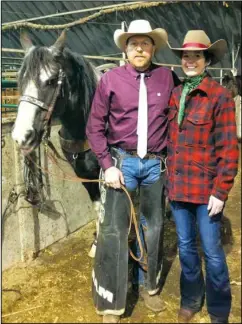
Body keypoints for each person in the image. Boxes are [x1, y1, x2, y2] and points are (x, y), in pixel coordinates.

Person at [86, 19, 180, 323]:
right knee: (113, 231)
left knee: (153, 228)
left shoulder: (167, 78)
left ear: (153, 48)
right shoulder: (110, 80)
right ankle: (110, 303)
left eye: (145, 43)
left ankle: (148, 289)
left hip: (155, 164)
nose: (139, 48)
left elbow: (177, 118)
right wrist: (106, 165)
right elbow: (95, 127)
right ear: (125, 49)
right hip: (121, 163)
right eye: (133, 44)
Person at [166, 30, 239, 323]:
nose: (190, 60)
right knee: (185, 249)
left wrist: (221, 192)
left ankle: (219, 309)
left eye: (197, 55)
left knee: (212, 251)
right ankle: (191, 299)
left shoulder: (219, 97)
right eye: (186, 55)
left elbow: (229, 150)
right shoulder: (175, 94)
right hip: (179, 188)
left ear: (207, 59)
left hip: (206, 190)